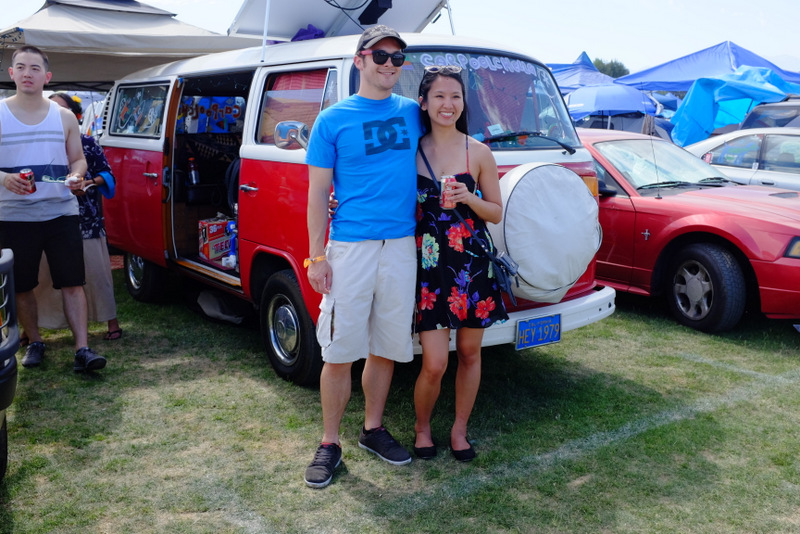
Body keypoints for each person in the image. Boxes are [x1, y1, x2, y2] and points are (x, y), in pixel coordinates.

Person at [303, 25, 423, 489]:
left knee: (386, 345)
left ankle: (372, 429)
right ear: (360, 61)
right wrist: (316, 257)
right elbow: (318, 193)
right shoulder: (332, 120)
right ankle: (329, 443)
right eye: (380, 56)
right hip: (350, 247)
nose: (389, 64)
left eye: (397, 58)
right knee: (339, 350)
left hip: (401, 246)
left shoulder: (412, 112)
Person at [412, 65, 508, 462]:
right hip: (430, 268)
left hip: (472, 265)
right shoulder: (412, 150)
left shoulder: (478, 152)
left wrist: (469, 198)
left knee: (469, 353)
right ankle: (422, 429)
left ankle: (459, 430)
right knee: (434, 363)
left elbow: (496, 213)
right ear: (424, 102)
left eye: (455, 96)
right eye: (439, 96)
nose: (448, 104)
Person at [0, 45, 107, 372]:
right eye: (21, 67)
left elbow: (78, 159)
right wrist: (4, 179)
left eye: (34, 68)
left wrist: (77, 175)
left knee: (73, 281)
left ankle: (82, 349)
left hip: (61, 212)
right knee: (22, 285)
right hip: (14, 215)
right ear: (11, 73)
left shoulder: (63, 116)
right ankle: (35, 342)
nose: (27, 73)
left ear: (47, 76)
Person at [27, 92, 121, 341]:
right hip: (48, 217)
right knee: (43, 275)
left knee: (96, 272)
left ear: (74, 115)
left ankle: (111, 321)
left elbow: (107, 175)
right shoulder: (38, 143)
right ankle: (33, 327)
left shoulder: (86, 142)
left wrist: (88, 182)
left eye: (62, 109)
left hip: (85, 218)